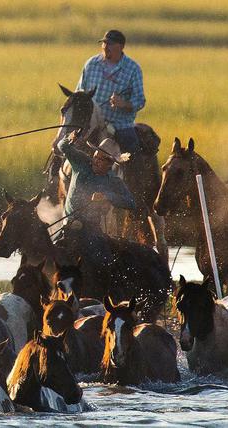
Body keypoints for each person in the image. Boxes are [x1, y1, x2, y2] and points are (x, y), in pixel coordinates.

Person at [56, 135, 136, 269]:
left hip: (91, 230)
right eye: (95, 156)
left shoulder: (113, 181)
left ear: (110, 163)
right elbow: (62, 146)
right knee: (51, 255)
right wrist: (70, 138)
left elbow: (131, 202)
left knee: (102, 263)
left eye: (100, 159)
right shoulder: (80, 161)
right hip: (68, 227)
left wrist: (107, 196)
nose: (95, 161)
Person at [76, 29, 145, 155]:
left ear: (121, 46)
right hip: (90, 124)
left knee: (133, 153)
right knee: (65, 145)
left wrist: (123, 104)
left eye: (111, 44)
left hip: (119, 125)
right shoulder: (91, 64)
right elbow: (79, 93)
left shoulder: (133, 68)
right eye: (104, 43)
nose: (106, 47)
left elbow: (140, 100)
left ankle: (136, 174)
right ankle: (53, 171)